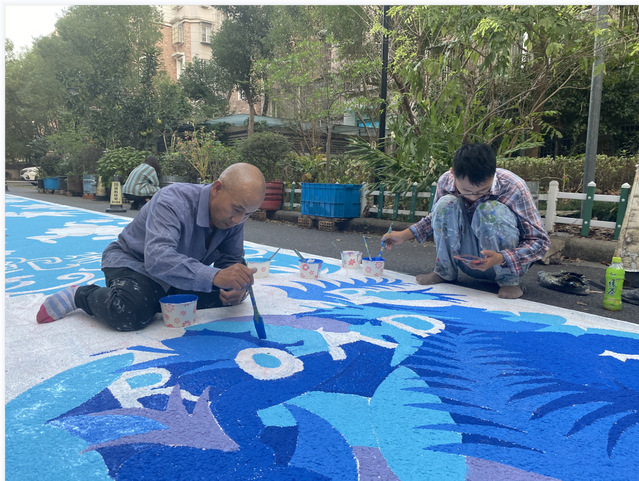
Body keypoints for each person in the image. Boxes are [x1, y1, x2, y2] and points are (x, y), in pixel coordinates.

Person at [36, 162, 266, 331]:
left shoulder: (235, 218)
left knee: (224, 298)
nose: (239, 220)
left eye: (249, 214)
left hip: (178, 273)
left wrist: (236, 287)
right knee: (130, 312)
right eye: (237, 209)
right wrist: (215, 276)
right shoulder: (173, 200)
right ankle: (81, 295)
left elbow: (231, 261)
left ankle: (153, 298)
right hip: (134, 264)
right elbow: (158, 259)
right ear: (217, 189)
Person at [382, 142, 550, 299]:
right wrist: (404, 235)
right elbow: (436, 218)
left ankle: (508, 280)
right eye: (466, 191)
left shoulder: (513, 186)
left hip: (508, 262)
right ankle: (444, 271)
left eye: (483, 191)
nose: (474, 196)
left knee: (489, 209)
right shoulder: (445, 181)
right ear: (453, 174)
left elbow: (540, 241)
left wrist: (502, 257)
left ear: (494, 174)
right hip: (467, 261)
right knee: (445, 204)